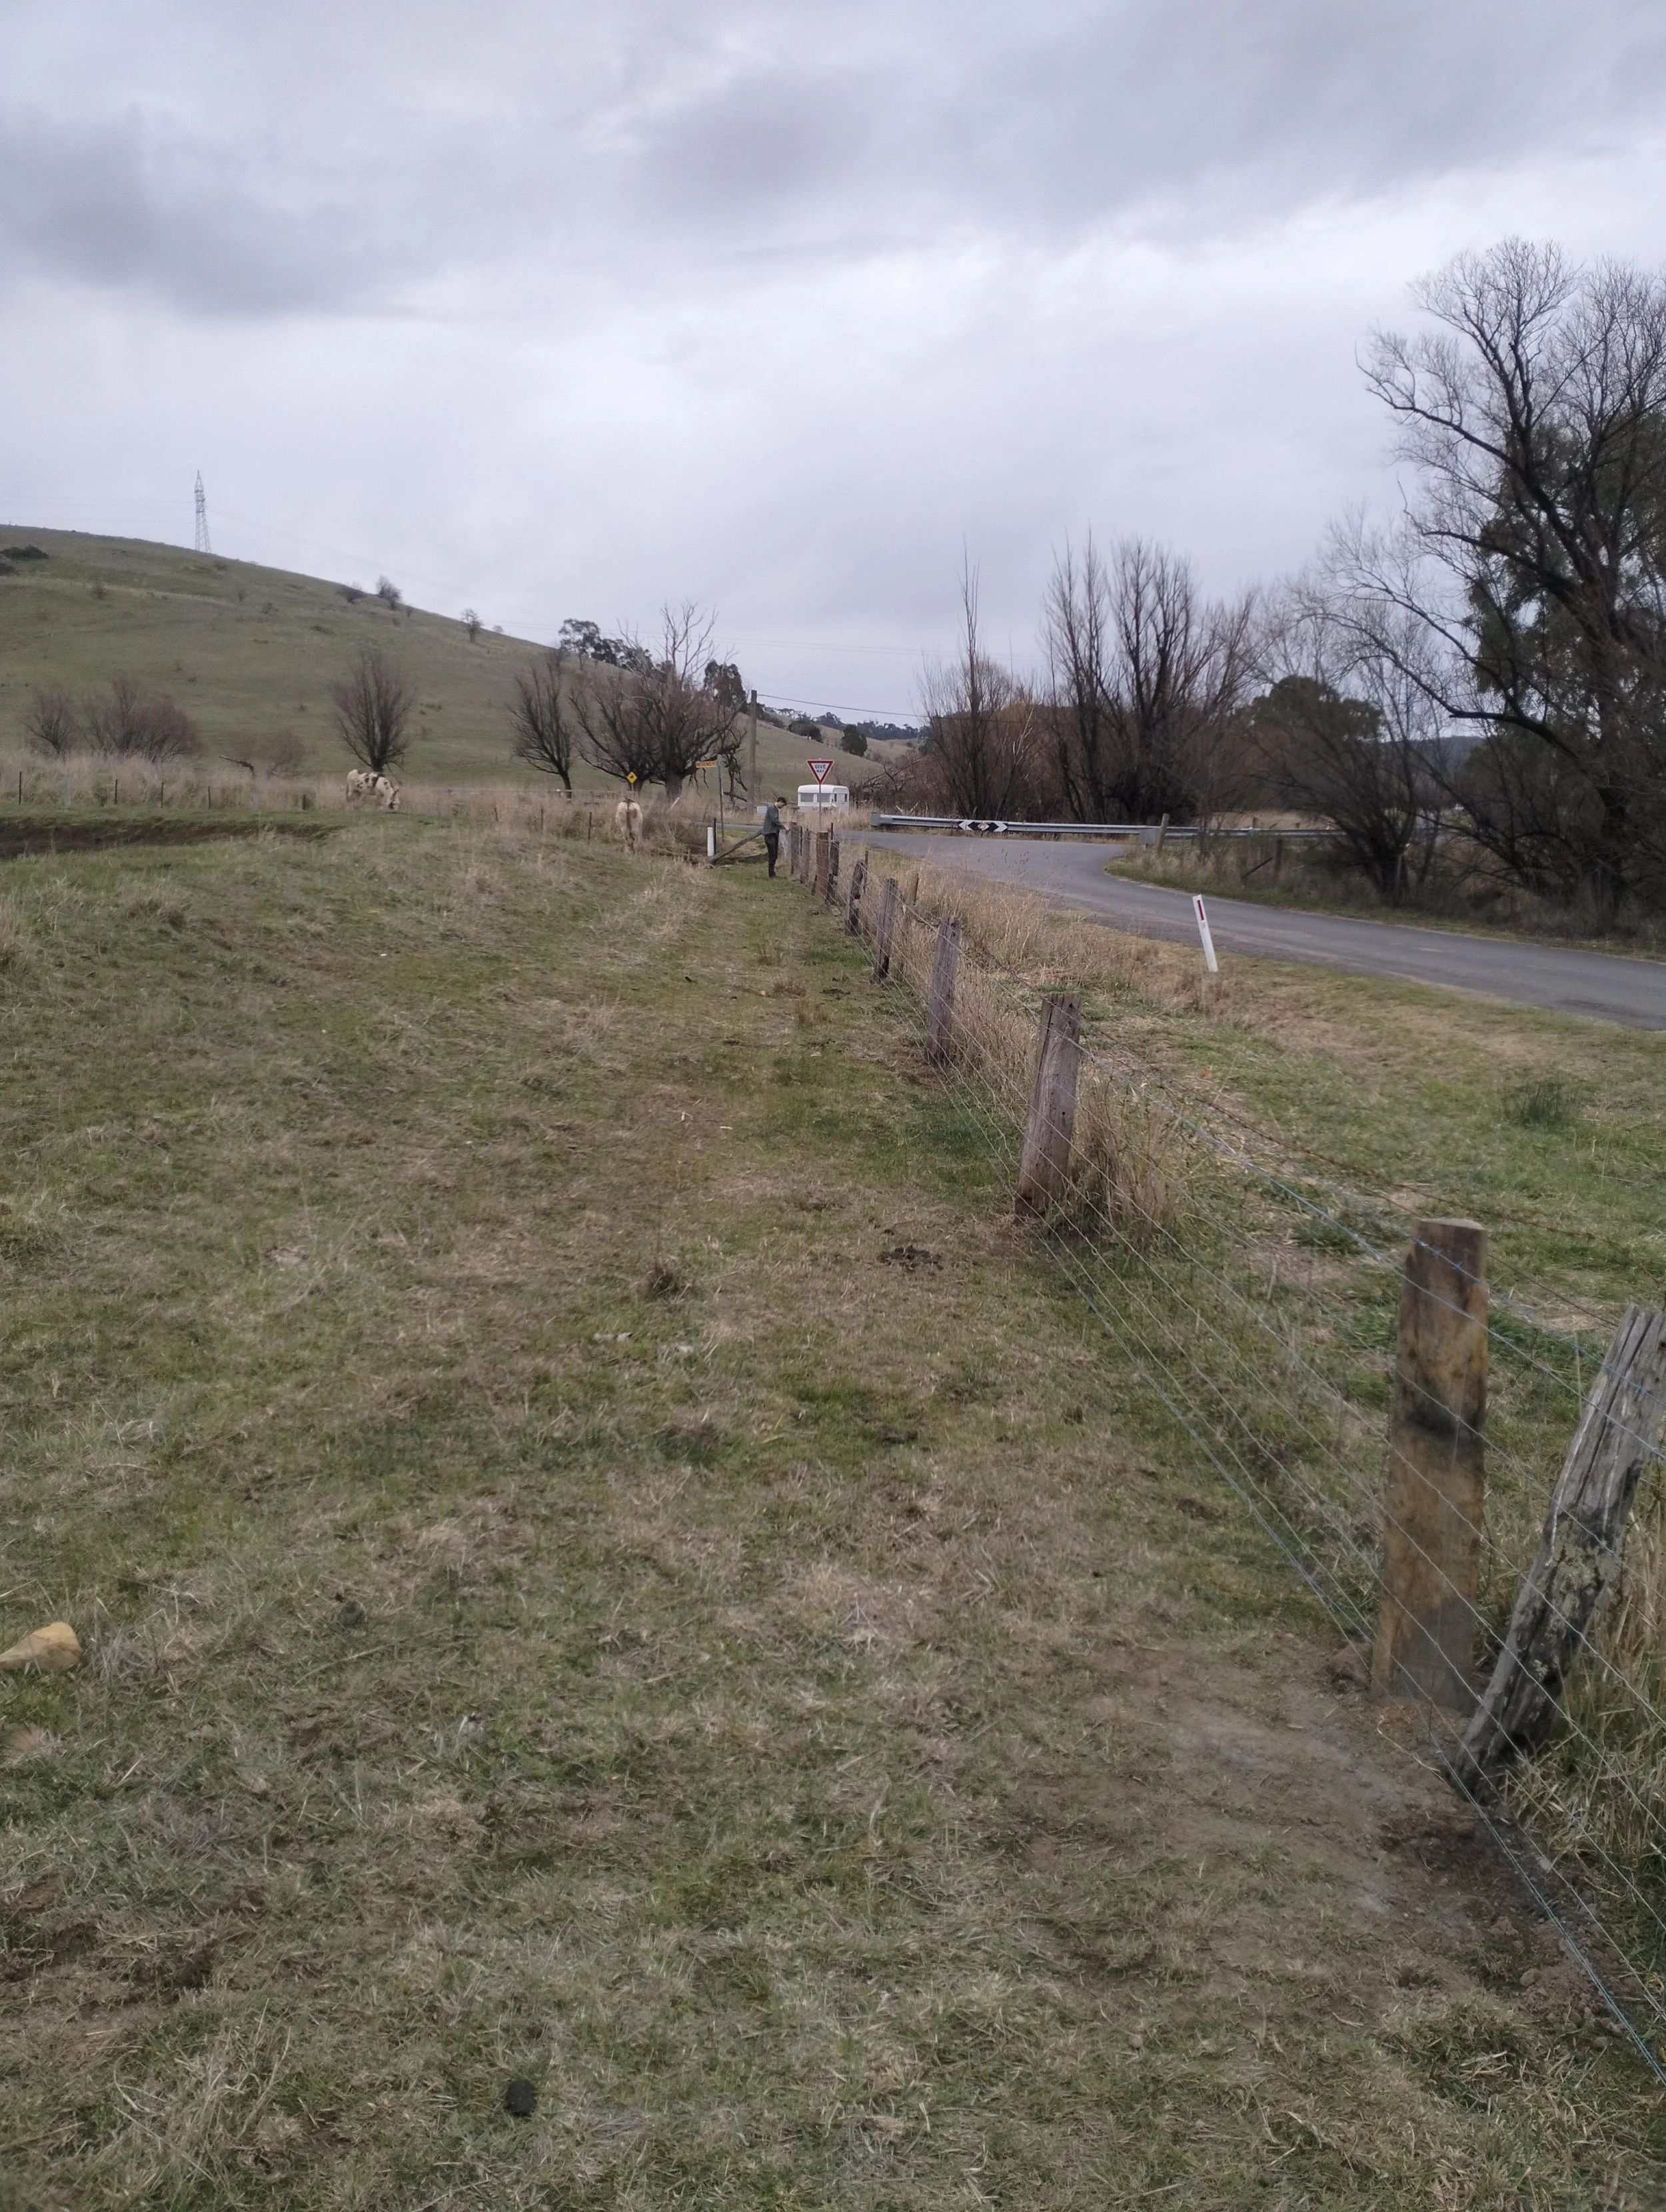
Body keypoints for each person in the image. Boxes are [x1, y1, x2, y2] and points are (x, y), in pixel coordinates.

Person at [762, 796, 782, 877]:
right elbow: (775, 820)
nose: (782, 807)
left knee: (775, 854)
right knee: (772, 854)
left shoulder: (775, 810)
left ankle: (772, 872)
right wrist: (784, 827)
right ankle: (771, 873)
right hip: (770, 835)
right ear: (779, 802)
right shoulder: (771, 809)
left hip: (774, 834)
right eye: (783, 805)